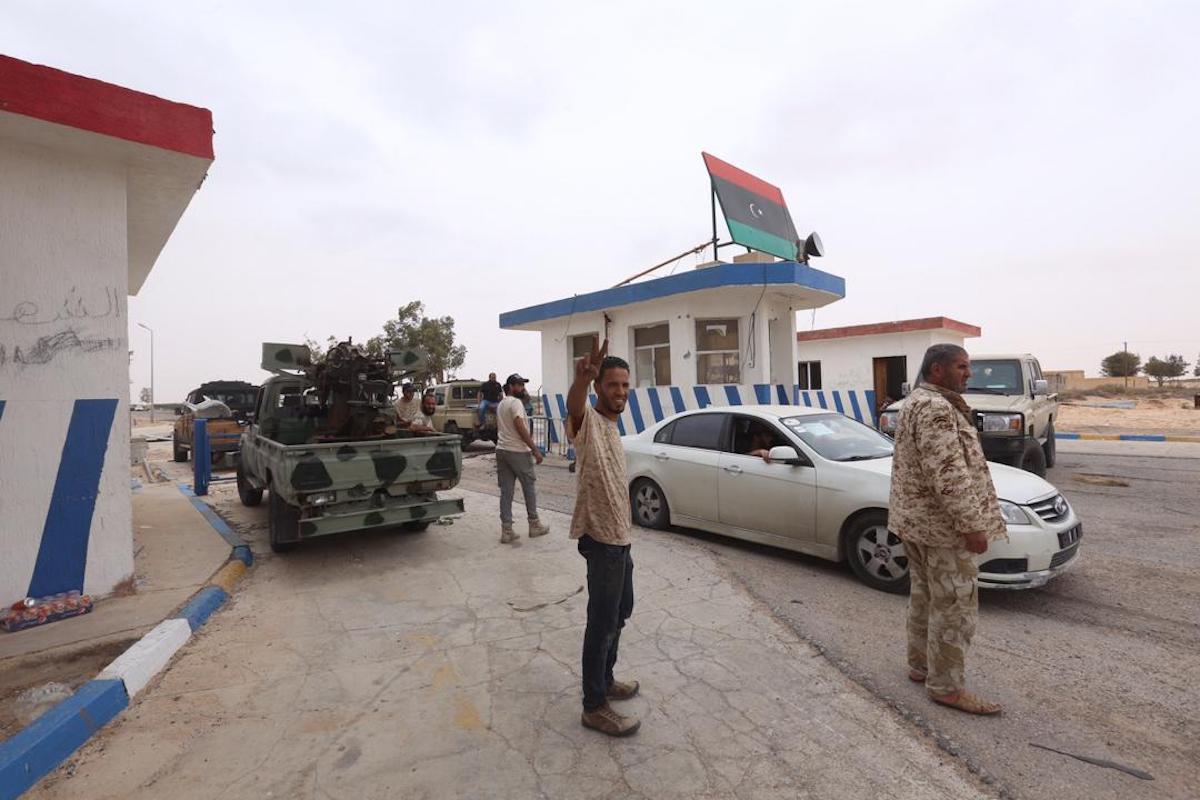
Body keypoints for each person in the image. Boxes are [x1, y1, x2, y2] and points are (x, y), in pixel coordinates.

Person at [889, 344, 1006, 716]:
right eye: (962, 366)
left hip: (919, 524)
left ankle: (921, 665)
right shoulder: (937, 409)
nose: (968, 373)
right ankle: (946, 687)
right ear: (938, 370)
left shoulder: (917, 401)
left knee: (925, 596)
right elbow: (949, 475)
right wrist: (972, 526)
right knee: (955, 605)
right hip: (941, 529)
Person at [567, 337, 640, 737]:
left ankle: (607, 679)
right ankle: (594, 705)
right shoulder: (590, 423)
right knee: (601, 623)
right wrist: (580, 380)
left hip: (621, 539)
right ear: (599, 388)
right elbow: (573, 408)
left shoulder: (613, 427)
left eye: (626, 385)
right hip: (602, 541)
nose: (621, 392)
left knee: (620, 613)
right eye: (613, 385)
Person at [496, 373, 549, 543]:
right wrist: (535, 450)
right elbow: (520, 425)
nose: (522, 388)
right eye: (519, 385)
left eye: (523, 384)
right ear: (510, 387)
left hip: (502, 450)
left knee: (506, 491)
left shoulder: (502, 404)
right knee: (529, 487)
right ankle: (534, 525)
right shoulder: (516, 403)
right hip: (518, 451)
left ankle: (507, 530)